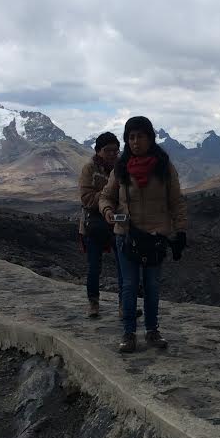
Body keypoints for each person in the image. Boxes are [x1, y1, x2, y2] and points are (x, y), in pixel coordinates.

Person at [99, 116, 187, 353]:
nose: (135, 142)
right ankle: (128, 334)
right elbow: (106, 196)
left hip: (155, 237)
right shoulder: (121, 168)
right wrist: (107, 211)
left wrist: (180, 230)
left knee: (152, 286)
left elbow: (176, 201)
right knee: (129, 285)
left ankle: (152, 331)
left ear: (150, 138)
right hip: (126, 235)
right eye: (131, 137)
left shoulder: (164, 167)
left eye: (140, 136)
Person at [79, 132, 122, 318]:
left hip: (118, 223)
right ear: (98, 150)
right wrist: (108, 195)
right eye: (107, 150)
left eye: (115, 150)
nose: (112, 154)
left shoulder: (122, 168)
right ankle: (93, 303)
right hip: (94, 224)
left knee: (124, 265)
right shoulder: (89, 169)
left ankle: (124, 305)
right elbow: (87, 198)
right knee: (94, 267)